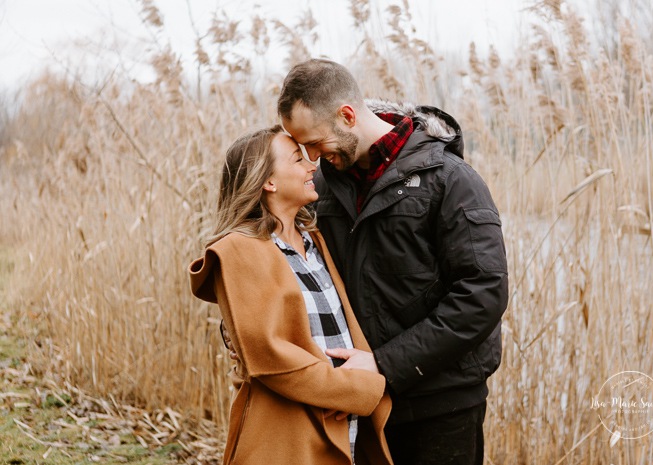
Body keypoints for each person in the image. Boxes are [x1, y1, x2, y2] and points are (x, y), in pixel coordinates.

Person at [275, 59, 509, 465]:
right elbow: (286, 260)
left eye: (314, 143)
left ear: (347, 115)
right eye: (301, 148)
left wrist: (384, 364)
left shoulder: (451, 180)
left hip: (441, 404)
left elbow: (482, 295)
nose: (310, 158)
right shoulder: (322, 187)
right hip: (357, 399)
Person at [190, 125, 393, 465]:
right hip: (290, 433)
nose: (311, 165)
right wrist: (361, 389)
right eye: (298, 159)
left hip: (345, 424)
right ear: (268, 182)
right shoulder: (239, 251)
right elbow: (272, 360)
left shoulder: (314, 240)